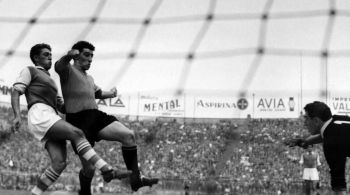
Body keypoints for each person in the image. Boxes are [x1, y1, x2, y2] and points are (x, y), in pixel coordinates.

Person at [11, 43, 131, 195]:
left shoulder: (52, 82)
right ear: (36, 57)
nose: (49, 56)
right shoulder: (30, 70)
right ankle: (107, 169)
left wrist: (81, 101)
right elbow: (16, 91)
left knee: (59, 163)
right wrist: (16, 115)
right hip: (40, 113)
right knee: (77, 133)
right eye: (46, 54)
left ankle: (34, 193)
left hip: (50, 116)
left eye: (50, 54)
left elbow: (62, 107)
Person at [55, 40, 159, 195]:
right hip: (77, 122)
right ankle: (84, 192)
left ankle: (135, 179)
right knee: (89, 169)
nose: (90, 59)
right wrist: (68, 56)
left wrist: (111, 93)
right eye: (86, 55)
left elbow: (98, 93)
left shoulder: (89, 78)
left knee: (128, 135)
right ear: (77, 55)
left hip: (95, 116)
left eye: (92, 56)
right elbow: (59, 66)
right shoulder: (68, 71)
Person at [286, 101, 350, 195]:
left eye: (306, 119)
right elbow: (327, 134)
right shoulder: (336, 120)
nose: (304, 123)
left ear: (316, 121)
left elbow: (340, 188)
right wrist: (306, 141)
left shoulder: (331, 143)